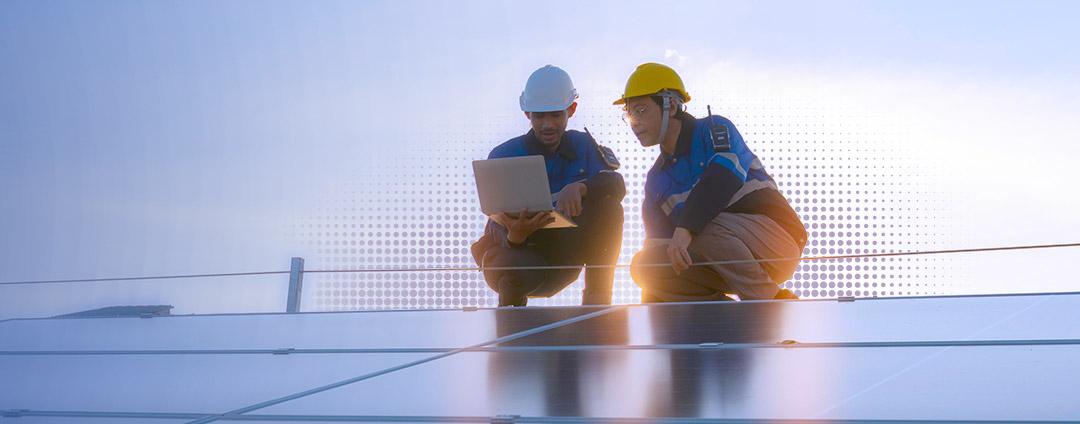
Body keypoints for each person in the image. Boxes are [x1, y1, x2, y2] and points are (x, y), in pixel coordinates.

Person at [616, 62, 807, 302]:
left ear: (671, 105)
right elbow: (658, 249)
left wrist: (685, 229)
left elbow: (723, 177)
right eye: (629, 114)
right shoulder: (656, 180)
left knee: (697, 223)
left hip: (776, 242)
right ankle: (722, 317)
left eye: (641, 110)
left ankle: (771, 300)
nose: (635, 122)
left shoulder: (713, 129)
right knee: (646, 265)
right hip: (723, 262)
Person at [471, 65, 626, 307]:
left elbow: (616, 186)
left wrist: (582, 187)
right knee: (509, 265)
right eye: (539, 116)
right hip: (520, 257)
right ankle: (512, 325)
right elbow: (494, 220)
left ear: (571, 110)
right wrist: (514, 237)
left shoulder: (584, 145)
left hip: (564, 256)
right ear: (527, 114)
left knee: (610, 208)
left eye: (555, 114)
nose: (547, 124)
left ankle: (597, 305)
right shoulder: (503, 155)